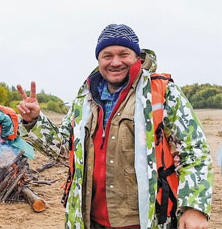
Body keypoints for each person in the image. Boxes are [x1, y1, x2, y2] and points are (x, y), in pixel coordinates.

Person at [17, 24, 212, 229]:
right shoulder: (85, 98)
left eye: (123, 54)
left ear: (137, 57)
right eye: (107, 55)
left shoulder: (163, 92)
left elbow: (193, 151)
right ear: (99, 60)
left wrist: (195, 207)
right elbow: (65, 150)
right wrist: (34, 121)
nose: (115, 62)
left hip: (145, 220)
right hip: (89, 220)